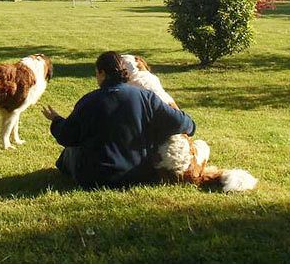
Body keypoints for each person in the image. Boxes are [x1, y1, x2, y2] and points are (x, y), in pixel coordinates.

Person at [40, 51, 197, 189]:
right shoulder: (146, 98)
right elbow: (180, 122)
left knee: (69, 152)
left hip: (94, 177)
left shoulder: (89, 100)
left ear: (102, 73)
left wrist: (56, 120)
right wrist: (190, 126)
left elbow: (67, 137)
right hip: (138, 174)